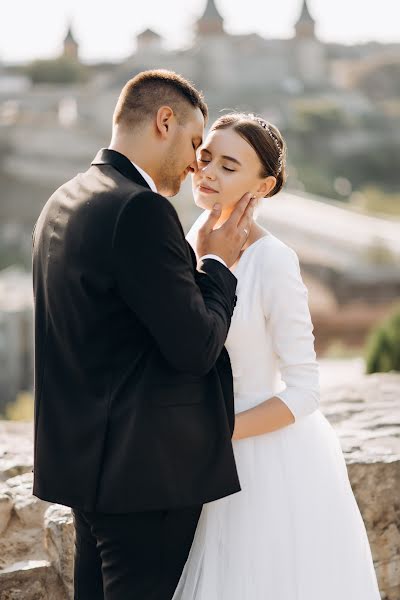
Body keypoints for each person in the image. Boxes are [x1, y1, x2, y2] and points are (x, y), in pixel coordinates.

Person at [32, 71, 256, 600]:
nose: (197, 162)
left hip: (82, 468)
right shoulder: (141, 208)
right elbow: (196, 347)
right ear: (164, 121)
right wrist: (218, 267)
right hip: (146, 477)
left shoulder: (64, 199)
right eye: (196, 143)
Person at [173, 112, 381, 600]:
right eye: (205, 159)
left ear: (263, 186)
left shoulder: (274, 260)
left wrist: (216, 431)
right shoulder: (190, 238)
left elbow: (306, 390)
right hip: (191, 454)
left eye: (228, 167)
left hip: (264, 461)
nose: (207, 174)